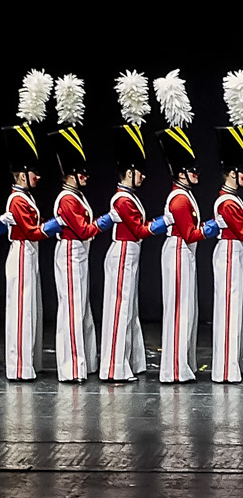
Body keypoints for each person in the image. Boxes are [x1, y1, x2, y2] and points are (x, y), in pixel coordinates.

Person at [40, 89, 102, 382]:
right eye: (82, 173)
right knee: (72, 307)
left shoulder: (76, 195)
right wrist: (105, 222)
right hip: (70, 252)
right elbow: (83, 229)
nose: (87, 177)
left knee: (82, 306)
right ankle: (72, 368)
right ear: (71, 174)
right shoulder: (67, 199)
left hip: (80, 253)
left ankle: (85, 362)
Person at [148, 91, 208, 385]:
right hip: (179, 251)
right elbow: (190, 233)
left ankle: (181, 365)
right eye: (192, 169)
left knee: (187, 308)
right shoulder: (181, 200)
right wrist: (214, 228)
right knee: (179, 308)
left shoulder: (185, 196)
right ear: (182, 173)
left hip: (184, 252)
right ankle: (173, 368)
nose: (197, 173)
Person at [92, 86, 152, 383]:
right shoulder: (123, 199)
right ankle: (114, 367)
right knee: (119, 309)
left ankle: (129, 361)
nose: (143, 176)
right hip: (123, 253)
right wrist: (163, 223)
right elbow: (139, 229)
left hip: (131, 253)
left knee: (129, 309)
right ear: (129, 172)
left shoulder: (130, 197)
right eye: (139, 171)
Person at [205, 118, 243, 384]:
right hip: (229, 251)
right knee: (229, 308)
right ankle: (225, 369)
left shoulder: (233, 199)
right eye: (242, 172)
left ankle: (234, 363)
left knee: (235, 307)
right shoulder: (227, 202)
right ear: (231, 173)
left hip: (234, 252)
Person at [8, 77, 48, 381]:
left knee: (31, 308)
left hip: (29, 253)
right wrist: (53, 227)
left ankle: (28, 364)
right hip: (22, 252)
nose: (37, 176)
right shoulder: (18, 199)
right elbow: (32, 231)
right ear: (21, 174)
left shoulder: (26, 197)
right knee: (21, 310)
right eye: (32, 171)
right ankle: (18, 367)